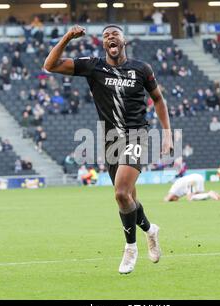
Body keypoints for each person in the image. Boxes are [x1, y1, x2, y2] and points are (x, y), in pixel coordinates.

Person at [43, 24, 173, 274]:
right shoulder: (93, 66)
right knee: (130, 198)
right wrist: (68, 37)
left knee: (121, 194)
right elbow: (50, 65)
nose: (110, 37)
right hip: (111, 140)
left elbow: (158, 99)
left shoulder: (142, 69)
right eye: (105, 36)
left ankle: (130, 248)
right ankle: (150, 230)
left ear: (124, 40)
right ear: (104, 44)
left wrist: (167, 135)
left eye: (115, 34)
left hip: (137, 136)